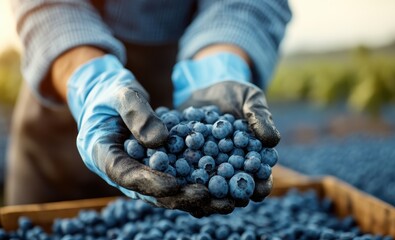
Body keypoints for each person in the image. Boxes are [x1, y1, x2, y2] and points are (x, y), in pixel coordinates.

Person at [6, 0, 291, 217]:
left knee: (175, 193)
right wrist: (89, 80)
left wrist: (217, 68)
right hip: (63, 104)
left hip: (182, 85)